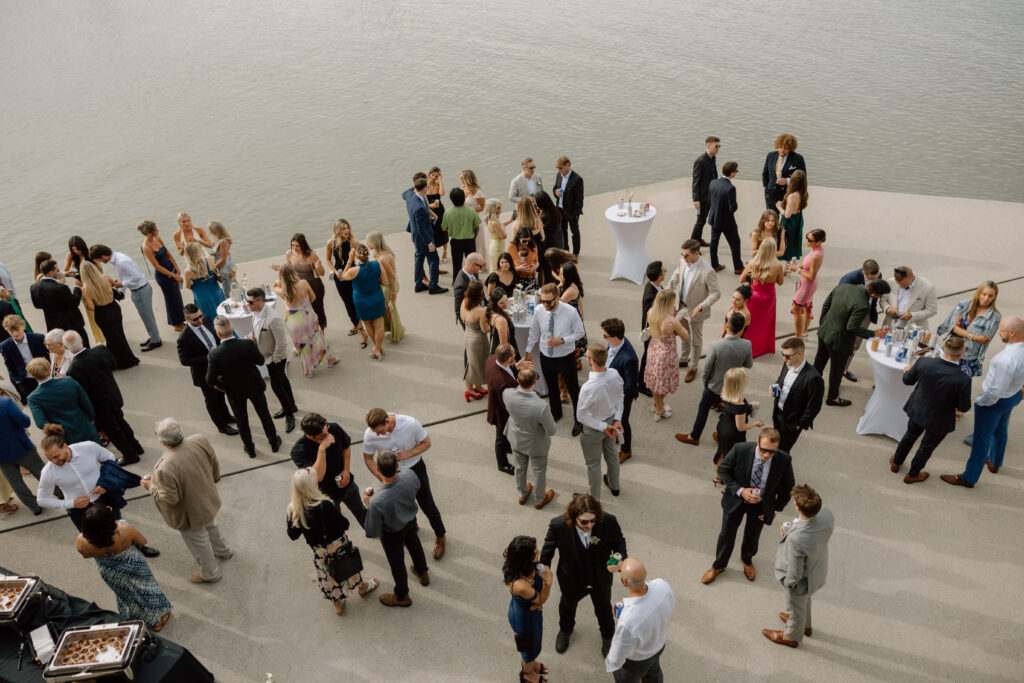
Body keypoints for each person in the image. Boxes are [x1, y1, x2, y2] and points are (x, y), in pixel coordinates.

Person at [36, 424, 157, 558]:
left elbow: (109, 458)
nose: (54, 461)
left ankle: (139, 546)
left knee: (119, 526)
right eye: (49, 458)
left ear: (65, 446)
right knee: (94, 540)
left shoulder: (87, 447)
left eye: (56, 456)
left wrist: (105, 482)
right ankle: (108, 558)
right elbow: (42, 500)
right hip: (80, 510)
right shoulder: (48, 472)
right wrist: (71, 504)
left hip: (104, 498)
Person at [142, 417, 232, 583]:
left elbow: (170, 499)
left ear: (162, 442)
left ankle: (211, 574)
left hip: (189, 514)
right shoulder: (199, 439)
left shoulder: (165, 467)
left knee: (199, 542)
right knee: (212, 526)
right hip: (207, 498)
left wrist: (150, 486)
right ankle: (223, 551)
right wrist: (215, 477)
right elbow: (214, 461)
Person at [701, 428, 795, 585]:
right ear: (758, 441)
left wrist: (775, 509)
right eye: (764, 450)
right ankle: (719, 565)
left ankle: (747, 560)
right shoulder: (741, 449)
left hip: (761, 505)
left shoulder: (784, 460)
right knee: (726, 534)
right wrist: (741, 491)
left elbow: (788, 488)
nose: (766, 455)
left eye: (772, 452)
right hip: (736, 500)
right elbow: (724, 470)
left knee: (753, 535)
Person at [941, 317, 1024, 488]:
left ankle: (969, 478)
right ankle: (994, 462)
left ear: (1012, 333)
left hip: (995, 401)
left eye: (1000, 330)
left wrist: (981, 402)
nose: (998, 333)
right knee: (1001, 429)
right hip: (1014, 395)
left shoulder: (1006, 359)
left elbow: (996, 391)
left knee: (981, 440)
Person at [540, 494, 626, 656]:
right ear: (574, 517)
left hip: (600, 577)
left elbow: (619, 542)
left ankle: (608, 636)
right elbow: (546, 554)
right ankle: (565, 630)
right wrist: (543, 576)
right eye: (584, 522)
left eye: (593, 521)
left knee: (604, 609)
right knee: (567, 607)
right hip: (571, 578)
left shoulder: (608, 522)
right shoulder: (558, 525)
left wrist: (621, 559)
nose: (589, 525)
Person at [286, 468, 378, 616]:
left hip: (319, 552)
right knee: (349, 567)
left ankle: (337, 604)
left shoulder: (293, 510)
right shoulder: (324, 505)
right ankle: (361, 587)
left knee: (328, 575)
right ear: (311, 485)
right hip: (337, 546)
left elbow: (292, 535)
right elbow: (344, 524)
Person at [362, 408, 447, 559]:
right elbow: (368, 458)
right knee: (401, 506)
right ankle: (411, 528)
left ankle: (440, 535)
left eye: (381, 432)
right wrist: (382, 477)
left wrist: (409, 454)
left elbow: (426, 443)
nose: (377, 435)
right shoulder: (370, 433)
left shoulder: (410, 423)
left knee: (427, 504)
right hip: (392, 475)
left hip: (415, 468)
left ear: (387, 421)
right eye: (375, 432)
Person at [76, 504, 173, 630]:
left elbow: (86, 555)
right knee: (148, 590)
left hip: (109, 571)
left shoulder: (81, 541)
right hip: (133, 564)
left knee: (128, 596)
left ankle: (137, 618)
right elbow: (142, 541)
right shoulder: (124, 530)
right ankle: (157, 620)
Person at [891, 337, 972, 484]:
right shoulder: (963, 379)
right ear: (961, 355)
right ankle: (913, 474)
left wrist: (906, 370)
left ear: (943, 349)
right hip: (940, 419)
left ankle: (896, 462)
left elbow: (907, 380)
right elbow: (964, 407)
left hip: (918, 408)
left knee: (910, 435)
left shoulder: (924, 362)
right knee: (926, 447)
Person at [762, 484, 834, 648]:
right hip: (817, 570)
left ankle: (791, 635)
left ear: (797, 506)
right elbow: (809, 528)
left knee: (795, 605)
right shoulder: (826, 513)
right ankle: (805, 626)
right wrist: (791, 527)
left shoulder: (797, 539)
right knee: (805, 600)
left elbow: (794, 574)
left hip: (801, 581)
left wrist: (788, 585)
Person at [206, 316, 282, 458]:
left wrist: (221, 386)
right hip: (254, 386)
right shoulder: (247, 344)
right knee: (264, 414)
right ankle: (273, 442)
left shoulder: (214, 354)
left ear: (218, 334)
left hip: (234, 391)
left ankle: (250, 449)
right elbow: (260, 361)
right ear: (232, 328)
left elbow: (209, 380)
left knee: (242, 421)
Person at [65, 330, 145, 466]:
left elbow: (83, 393)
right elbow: (113, 365)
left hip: (98, 405)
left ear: (66, 348)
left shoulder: (73, 370)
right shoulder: (101, 350)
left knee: (113, 430)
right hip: (113, 394)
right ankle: (136, 446)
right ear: (82, 341)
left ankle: (129, 454)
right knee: (121, 421)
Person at [363, 450, 430, 607]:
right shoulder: (410, 475)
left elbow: (371, 531)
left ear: (378, 470)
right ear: (397, 465)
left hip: (391, 533)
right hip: (410, 521)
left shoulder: (377, 501)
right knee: (415, 544)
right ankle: (423, 573)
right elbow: (417, 488)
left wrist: (368, 502)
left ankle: (402, 596)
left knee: (397, 563)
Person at [675, 312, 753, 449]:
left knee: (703, 409)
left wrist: (706, 383)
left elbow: (706, 369)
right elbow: (748, 364)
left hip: (715, 386)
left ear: (727, 325)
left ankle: (694, 436)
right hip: (734, 387)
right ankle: (720, 435)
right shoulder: (747, 344)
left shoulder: (716, 345)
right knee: (729, 414)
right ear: (742, 328)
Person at [814, 279, 892, 406]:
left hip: (824, 331)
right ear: (875, 295)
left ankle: (811, 388)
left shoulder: (842, 287)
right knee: (837, 371)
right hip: (839, 341)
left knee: (818, 363)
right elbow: (852, 327)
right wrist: (873, 333)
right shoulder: (863, 304)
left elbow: (825, 306)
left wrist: (824, 324)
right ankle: (833, 398)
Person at [525, 283, 586, 435]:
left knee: (573, 389)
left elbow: (580, 333)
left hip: (565, 357)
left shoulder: (570, 312)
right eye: (543, 301)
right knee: (552, 388)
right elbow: (534, 331)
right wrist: (528, 351)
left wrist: (563, 340)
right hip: (546, 356)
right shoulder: (539, 310)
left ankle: (579, 420)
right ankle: (556, 413)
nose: (545, 304)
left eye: (548, 301)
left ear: (557, 298)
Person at [290, 412, 367, 527]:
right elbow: (318, 476)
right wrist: (322, 449)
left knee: (360, 510)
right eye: (322, 434)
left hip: (347, 484)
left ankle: (371, 530)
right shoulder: (299, 451)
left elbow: (346, 448)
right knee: (335, 524)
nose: (327, 435)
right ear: (310, 435)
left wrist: (346, 470)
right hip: (326, 494)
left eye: (327, 429)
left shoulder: (334, 428)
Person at [604, 558, 676, 682]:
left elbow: (616, 658)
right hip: (658, 646)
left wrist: (611, 663)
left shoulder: (627, 622)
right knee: (654, 674)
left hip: (637, 661)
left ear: (624, 581)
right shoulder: (663, 586)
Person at [176, 304, 237, 436]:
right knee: (212, 400)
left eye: (200, 316)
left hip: (219, 368)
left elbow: (217, 338)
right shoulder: (184, 338)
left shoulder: (208, 320)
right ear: (187, 319)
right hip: (204, 373)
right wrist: (207, 357)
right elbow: (184, 360)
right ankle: (221, 426)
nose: (199, 320)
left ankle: (227, 416)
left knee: (221, 394)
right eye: (195, 319)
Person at [666, 239, 721, 382]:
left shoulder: (707, 271)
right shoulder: (683, 261)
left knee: (696, 340)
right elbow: (676, 275)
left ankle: (693, 367)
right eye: (682, 255)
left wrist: (701, 306)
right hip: (681, 306)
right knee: (683, 334)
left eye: (686, 255)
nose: (683, 258)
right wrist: (669, 287)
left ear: (696, 253)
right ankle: (684, 358)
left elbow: (716, 293)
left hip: (697, 311)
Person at [90, 245, 163, 351]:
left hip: (141, 291)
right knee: (145, 316)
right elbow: (123, 276)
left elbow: (136, 276)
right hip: (138, 290)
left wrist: (121, 284)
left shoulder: (121, 262)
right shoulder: (116, 259)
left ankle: (156, 340)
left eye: (99, 260)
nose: (100, 262)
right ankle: (153, 337)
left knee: (147, 317)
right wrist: (122, 291)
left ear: (103, 256)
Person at [504, 367, 557, 509]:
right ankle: (540, 499)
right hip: (536, 444)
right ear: (535, 382)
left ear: (517, 380)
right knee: (539, 471)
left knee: (520, 467)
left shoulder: (507, 394)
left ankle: (522, 494)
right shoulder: (541, 406)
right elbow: (552, 430)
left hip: (516, 438)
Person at [577, 343, 624, 499]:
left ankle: (593, 499)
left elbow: (581, 416)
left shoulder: (588, 387)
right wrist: (617, 419)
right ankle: (614, 486)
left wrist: (604, 426)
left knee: (593, 464)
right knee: (612, 455)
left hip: (594, 428)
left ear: (591, 360)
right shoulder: (615, 374)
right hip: (611, 422)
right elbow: (620, 396)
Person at [504, 535, 553, 683]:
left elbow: (538, 599)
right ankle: (527, 673)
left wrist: (539, 597)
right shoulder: (519, 584)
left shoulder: (528, 565)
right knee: (529, 648)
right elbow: (541, 599)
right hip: (524, 618)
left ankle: (531, 664)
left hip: (531, 611)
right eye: (534, 552)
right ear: (524, 558)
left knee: (534, 644)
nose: (538, 552)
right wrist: (548, 582)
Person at [247, 287, 297, 433]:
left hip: (275, 359)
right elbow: (257, 329)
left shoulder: (273, 318)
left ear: (260, 302)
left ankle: (289, 414)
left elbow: (282, 343)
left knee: (277, 387)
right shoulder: (255, 312)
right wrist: (252, 336)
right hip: (267, 357)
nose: (248, 305)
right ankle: (292, 405)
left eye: (250, 302)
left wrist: (274, 360)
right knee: (283, 381)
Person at [275, 263, 339, 374]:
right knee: (318, 339)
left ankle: (307, 369)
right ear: (294, 273)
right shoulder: (303, 283)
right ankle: (330, 359)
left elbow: (275, 287)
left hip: (293, 321)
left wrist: (277, 283)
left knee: (301, 344)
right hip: (308, 317)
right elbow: (313, 298)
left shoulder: (282, 291)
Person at [79, 261, 140, 369]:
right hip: (114, 309)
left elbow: (91, 307)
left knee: (111, 339)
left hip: (102, 314)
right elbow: (114, 285)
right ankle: (129, 358)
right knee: (120, 334)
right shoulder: (105, 277)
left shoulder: (85, 288)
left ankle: (118, 362)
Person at [936, 280, 1001, 379]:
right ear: (979, 293)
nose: (986, 298)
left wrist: (961, 328)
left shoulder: (994, 317)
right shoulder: (964, 305)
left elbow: (984, 340)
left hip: (969, 357)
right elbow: (952, 327)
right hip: (949, 350)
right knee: (937, 381)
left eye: (990, 296)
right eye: (984, 294)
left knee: (958, 389)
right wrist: (974, 337)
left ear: (994, 297)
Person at [25, 358, 100, 444]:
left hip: (66, 437)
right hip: (85, 426)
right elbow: (86, 404)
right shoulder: (69, 381)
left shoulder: (33, 398)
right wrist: (90, 421)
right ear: (50, 369)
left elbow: (41, 423)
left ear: (31, 375)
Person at [771, 337, 825, 454]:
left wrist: (799, 424)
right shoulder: (787, 364)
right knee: (774, 447)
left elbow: (814, 406)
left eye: (787, 356)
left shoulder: (814, 378)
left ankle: (782, 471)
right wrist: (775, 387)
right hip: (778, 414)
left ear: (800, 354)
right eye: (782, 354)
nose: (784, 358)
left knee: (782, 451)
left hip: (792, 421)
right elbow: (781, 380)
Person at [712, 368, 764, 484]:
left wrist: (748, 405)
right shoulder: (740, 404)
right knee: (730, 456)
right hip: (733, 433)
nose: (748, 379)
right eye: (745, 378)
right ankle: (727, 481)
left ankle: (717, 477)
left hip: (723, 425)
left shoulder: (726, 394)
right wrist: (756, 424)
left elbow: (731, 409)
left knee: (722, 451)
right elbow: (741, 427)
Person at [643, 289, 689, 421]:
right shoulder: (672, 321)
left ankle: (656, 404)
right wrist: (676, 325)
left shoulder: (651, 312)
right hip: (666, 355)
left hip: (654, 349)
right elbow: (686, 336)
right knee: (663, 382)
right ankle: (659, 409)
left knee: (655, 380)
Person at [837, 259, 882, 382]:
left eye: (876, 277)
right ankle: (836, 370)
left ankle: (844, 370)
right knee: (842, 342)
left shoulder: (879, 275)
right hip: (850, 314)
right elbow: (840, 299)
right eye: (871, 278)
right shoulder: (848, 280)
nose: (874, 280)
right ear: (864, 273)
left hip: (866, 314)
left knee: (855, 344)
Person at [272, 233, 329, 332]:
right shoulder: (289, 254)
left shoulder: (311, 254)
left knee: (318, 309)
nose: (294, 248)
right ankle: (309, 331)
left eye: (297, 246)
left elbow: (322, 273)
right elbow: (290, 270)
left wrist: (318, 266)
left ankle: (321, 330)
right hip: (299, 286)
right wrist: (281, 268)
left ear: (303, 245)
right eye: (292, 245)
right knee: (303, 310)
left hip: (314, 285)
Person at [0, 395, 45, 515]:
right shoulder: (5, 402)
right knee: (40, 470)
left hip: (1, 456)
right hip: (19, 445)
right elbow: (25, 422)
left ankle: (34, 507)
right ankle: (58, 493)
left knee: (16, 482)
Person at [739, 239, 785, 358]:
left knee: (750, 324)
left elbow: (741, 279)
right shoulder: (778, 265)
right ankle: (762, 347)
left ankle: (746, 349)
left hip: (753, 297)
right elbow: (780, 282)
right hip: (768, 298)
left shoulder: (753, 262)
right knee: (764, 324)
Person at [341, 244, 388, 360]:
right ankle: (378, 348)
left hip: (362, 301)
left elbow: (343, 277)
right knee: (379, 325)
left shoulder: (353, 271)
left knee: (368, 325)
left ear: (357, 256)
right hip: (377, 297)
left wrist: (349, 260)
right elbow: (385, 282)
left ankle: (377, 349)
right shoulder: (377, 264)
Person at [29, 259, 90, 346]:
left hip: (52, 325)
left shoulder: (34, 287)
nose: (59, 272)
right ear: (50, 272)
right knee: (82, 346)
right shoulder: (60, 288)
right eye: (57, 270)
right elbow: (75, 301)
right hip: (71, 324)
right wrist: (76, 287)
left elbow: (37, 305)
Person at [138, 220, 185, 331]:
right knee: (171, 299)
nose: (158, 230)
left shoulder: (157, 239)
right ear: (150, 232)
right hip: (163, 276)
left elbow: (168, 254)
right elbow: (157, 266)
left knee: (177, 298)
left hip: (171, 271)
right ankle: (175, 324)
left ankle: (180, 320)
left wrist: (177, 270)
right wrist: (174, 276)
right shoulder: (146, 247)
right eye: (156, 228)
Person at [603, 318, 639, 463]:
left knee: (622, 420)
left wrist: (618, 402)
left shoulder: (629, 358)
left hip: (621, 395)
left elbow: (629, 386)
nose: (604, 338)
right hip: (610, 390)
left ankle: (626, 450)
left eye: (605, 336)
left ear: (615, 337)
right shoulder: (613, 345)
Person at [403, 175, 446, 295]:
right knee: (434, 260)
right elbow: (421, 228)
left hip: (416, 237)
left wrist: (430, 212)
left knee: (419, 258)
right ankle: (433, 286)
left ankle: (419, 283)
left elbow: (404, 193)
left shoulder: (410, 195)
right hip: (423, 237)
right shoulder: (419, 208)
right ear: (424, 189)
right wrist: (429, 243)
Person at [485, 344, 522, 476]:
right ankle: (503, 464)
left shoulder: (491, 359)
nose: (515, 355)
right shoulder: (504, 383)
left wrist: (515, 366)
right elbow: (508, 404)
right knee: (500, 437)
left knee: (504, 437)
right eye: (514, 353)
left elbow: (505, 369)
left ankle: (508, 448)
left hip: (496, 403)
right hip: (501, 413)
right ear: (508, 358)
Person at [63, 236, 104, 344]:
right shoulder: (71, 256)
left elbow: (100, 271)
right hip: (83, 288)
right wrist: (71, 274)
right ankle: (100, 337)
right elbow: (63, 272)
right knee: (92, 314)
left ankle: (105, 333)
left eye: (77, 249)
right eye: (73, 250)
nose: (76, 252)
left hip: (95, 285)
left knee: (101, 310)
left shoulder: (90, 254)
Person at [326, 219, 363, 339]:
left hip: (352, 274)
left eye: (348, 228)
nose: (347, 230)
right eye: (343, 228)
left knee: (356, 301)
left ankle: (362, 330)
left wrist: (359, 266)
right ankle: (356, 325)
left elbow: (363, 254)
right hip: (340, 276)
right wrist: (335, 271)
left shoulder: (352, 241)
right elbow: (327, 259)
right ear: (338, 230)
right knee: (347, 302)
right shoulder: (331, 243)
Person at [366, 231, 404, 344]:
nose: (367, 244)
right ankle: (394, 330)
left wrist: (393, 291)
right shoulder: (382, 253)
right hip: (386, 285)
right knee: (387, 309)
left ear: (374, 242)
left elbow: (392, 276)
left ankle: (395, 333)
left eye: (368, 241)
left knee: (390, 310)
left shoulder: (382, 258)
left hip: (389, 286)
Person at [788, 229, 826, 340]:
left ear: (818, 242)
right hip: (808, 284)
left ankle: (798, 336)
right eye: (807, 238)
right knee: (807, 307)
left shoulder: (816, 255)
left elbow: (811, 276)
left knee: (797, 309)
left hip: (808, 284)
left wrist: (797, 269)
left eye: (810, 240)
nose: (807, 241)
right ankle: (804, 331)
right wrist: (798, 267)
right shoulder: (817, 250)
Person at [707, 161, 744, 274]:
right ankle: (738, 267)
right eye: (736, 171)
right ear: (732, 173)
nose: (736, 173)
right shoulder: (730, 188)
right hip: (727, 222)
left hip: (714, 218)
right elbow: (733, 208)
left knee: (714, 243)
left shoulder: (713, 182)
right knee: (735, 243)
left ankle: (714, 265)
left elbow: (710, 200)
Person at [1, 315, 47, 402]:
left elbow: (50, 356)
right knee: (37, 403)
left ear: (23, 326)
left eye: (17, 330)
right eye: (11, 331)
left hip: (44, 375)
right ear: (7, 330)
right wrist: (17, 380)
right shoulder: (5, 346)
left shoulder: (38, 338)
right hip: (26, 380)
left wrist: (53, 373)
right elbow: (9, 364)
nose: (15, 334)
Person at [459, 280, 491, 401]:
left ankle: (477, 386)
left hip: (467, 335)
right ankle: (469, 390)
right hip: (478, 339)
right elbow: (485, 330)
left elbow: (462, 318)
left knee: (474, 363)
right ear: (480, 293)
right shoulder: (480, 311)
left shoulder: (464, 302)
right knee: (474, 365)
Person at [442, 187, 483, 279]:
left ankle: (457, 282)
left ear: (451, 199)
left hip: (456, 241)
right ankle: (474, 280)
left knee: (456, 264)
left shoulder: (448, 212)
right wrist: (474, 237)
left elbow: (444, 228)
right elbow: (477, 226)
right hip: (470, 240)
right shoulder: (471, 210)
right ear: (464, 198)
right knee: (473, 263)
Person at [638, 261, 665, 397]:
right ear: (659, 276)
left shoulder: (655, 286)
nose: (665, 270)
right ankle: (641, 384)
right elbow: (651, 316)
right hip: (652, 331)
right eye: (663, 270)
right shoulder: (651, 295)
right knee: (647, 356)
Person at [881, 266, 938, 330]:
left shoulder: (928, 287)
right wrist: (887, 308)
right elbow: (883, 300)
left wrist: (912, 315)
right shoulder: (890, 282)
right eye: (899, 285)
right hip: (890, 326)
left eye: (904, 285)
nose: (901, 287)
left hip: (914, 329)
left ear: (911, 277)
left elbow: (932, 310)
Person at [762, 133, 807, 211]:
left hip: (788, 194)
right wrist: (765, 188)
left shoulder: (798, 159)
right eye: (780, 147)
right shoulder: (771, 155)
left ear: (791, 148)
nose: (782, 150)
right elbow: (765, 173)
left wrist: (787, 180)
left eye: (785, 148)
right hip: (771, 194)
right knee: (772, 219)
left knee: (786, 219)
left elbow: (803, 177)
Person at [182, 242, 223, 323]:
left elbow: (188, 286)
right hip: (216, 291)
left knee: (209, 320)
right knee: (222, 314)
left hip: (202, 297)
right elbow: (215, 272)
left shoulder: (188, 271)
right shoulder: (208, 259)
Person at [691, 136, 720, 245]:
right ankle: (693, 244)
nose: (718, 148)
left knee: (703, 220)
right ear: (709, 146)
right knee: (700, 221)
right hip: (702, 197)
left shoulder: (713, 158)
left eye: (719, 146)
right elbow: (696, 181)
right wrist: (696, 199)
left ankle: (698, 240)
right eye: (716, 146)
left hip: (711, 195)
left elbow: (714, 175)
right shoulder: (700, 161)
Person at [553, 156, 584, 255]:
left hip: (572, 212)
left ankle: (575, 253)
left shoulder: (577, 179)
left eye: (560, 167)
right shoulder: (559, 175)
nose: (558, 170)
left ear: (567, 166)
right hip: (560, 209)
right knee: (562, 231)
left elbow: (579, 200)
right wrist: (555, 192)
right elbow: (554, 188)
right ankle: (565, 251)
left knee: (574, 232)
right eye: (557, 168)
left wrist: (575, 214)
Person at [777, 170, 809, 262]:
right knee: (794, 243)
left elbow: (787, 215)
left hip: (790, 222)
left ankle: (785, 267)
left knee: (785, 243)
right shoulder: (804, 194)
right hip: (798, 220)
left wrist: (779, 207)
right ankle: (789, 266)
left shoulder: (792, 196)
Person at [459, 169, 489, 260]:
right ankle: (472, 261)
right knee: (469, 243)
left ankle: (482, 262)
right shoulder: (462, 189)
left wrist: (470, 210)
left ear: (467, 178)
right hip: (466, 220)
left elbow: (482, 208)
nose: (461, 180)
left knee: (479, 243)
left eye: (462, 178)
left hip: (477, 219)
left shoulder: (478, 192)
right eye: (460, 178)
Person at [425, 167, 450, 264]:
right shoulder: (424, 185)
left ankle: (444, 251)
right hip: (429, 211)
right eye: (433, 175)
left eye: (436, 176)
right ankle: (433, 252)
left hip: (440, 211)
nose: (434, 177)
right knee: (432, 232)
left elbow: (442, 193)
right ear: (429, 174)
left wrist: (440, 180)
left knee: (443, 231)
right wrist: (429, 206)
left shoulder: (438, 185)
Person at [454, 253, 485, 328]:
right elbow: (458, 308)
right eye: (480, 266)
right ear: (473, 265)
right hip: (473, 321)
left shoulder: (473, 272)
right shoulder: (461, 285)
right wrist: (466, 326)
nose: (481, 269)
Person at [486, 289, 520, 359]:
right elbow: (504, 347)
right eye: (502, 303)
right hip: (505, 355)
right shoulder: (501, 320)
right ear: (495, 304)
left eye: (506, 300)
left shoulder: (491, 311)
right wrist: (512, 361)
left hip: (495, 349)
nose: (505, 304)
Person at [207, 221, 236, 299]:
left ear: (214, 230)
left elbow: (223, 259)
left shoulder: (223, 241)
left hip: (226, 268)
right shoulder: (216, 239)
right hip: (221, 267)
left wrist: (212, 267)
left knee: (230, 290)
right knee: (227, 288)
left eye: (210, 229)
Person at [483, 199, 509, 272]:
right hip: (497, 247)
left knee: (496, 265)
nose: (500, 209)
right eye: (498, 207)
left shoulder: (492, 220)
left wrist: (510, 220)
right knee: (498, 267)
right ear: (493, 209)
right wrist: (503, 228)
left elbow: (501, 225)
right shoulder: (494, 222)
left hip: (495, 244)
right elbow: (504, 236)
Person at [535, 190, 564, 255]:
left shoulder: (544, 217)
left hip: (549, 244)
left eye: (536, 202)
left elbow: (536, 229)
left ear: (540, 204)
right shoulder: (555, 210)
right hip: (558, 240)